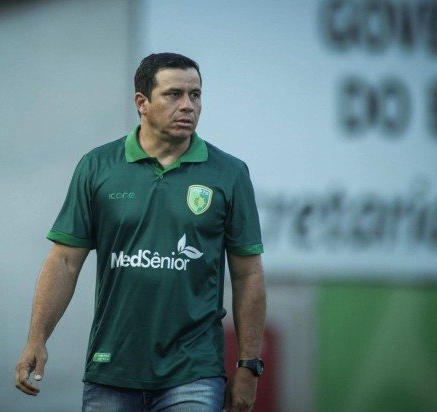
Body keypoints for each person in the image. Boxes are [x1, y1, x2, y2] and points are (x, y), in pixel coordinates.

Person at [15, 52, 266, 412]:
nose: (188, 105)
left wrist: (248, 365)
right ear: (141, 103)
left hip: (194, 370)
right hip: (112, 368)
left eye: (195, 95)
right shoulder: (98, 166)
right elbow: (65, 262)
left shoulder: (229, 173)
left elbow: (248, 274)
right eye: (174, 94)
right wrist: (37, 338)